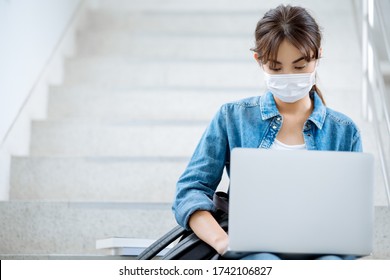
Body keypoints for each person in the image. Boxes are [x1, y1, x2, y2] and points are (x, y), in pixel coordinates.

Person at [172, 4, 362, 260]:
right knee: (265, 263)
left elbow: (353, 218)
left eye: (299, 66)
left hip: (323, 252)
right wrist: (223, 242)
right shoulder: (232, 117)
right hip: (253, 251)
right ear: (259, 61)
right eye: (275, 67)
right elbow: (191, 189)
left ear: (317, 56)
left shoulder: (344, 132)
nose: (288, 76)